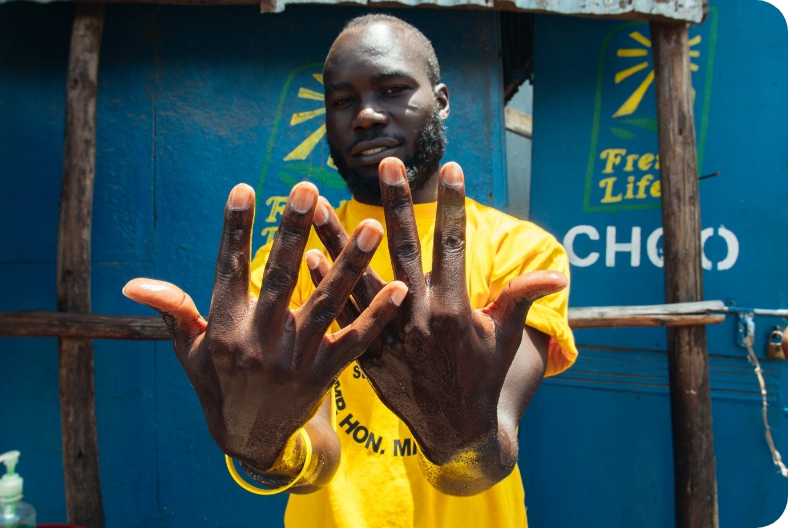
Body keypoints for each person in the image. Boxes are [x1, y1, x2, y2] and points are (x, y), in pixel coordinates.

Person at [123, 14, 577, 528]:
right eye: (342, 101)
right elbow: (316, 457)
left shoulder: (522, 252)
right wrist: (265, 451)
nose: (365, 115)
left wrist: (458, 438)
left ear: (441, 101)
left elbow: (482, 461)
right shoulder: (288, 265)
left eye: (392, 89)